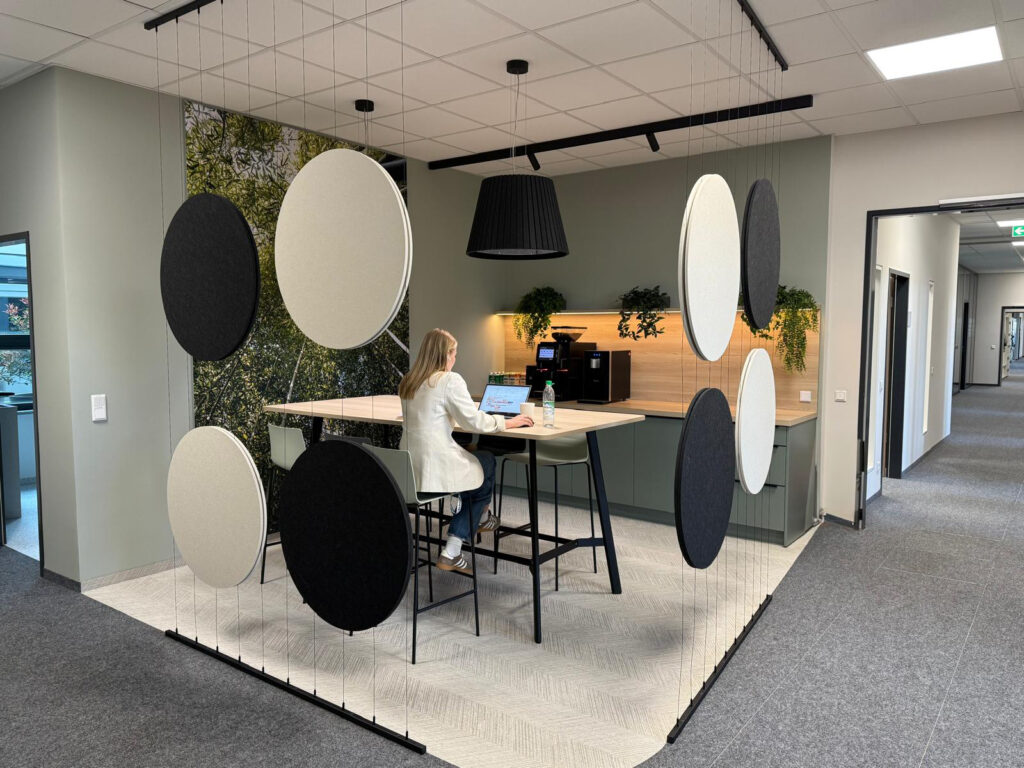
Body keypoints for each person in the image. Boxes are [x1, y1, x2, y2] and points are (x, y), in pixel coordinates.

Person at [398, 329, 533, 574]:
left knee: (476, 464)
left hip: (409, 470)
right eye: (454, 353)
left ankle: (478, 523)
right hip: (435, 470)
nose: (455, 359)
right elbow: (474, 423)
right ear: (446, 354)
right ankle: (455, 546)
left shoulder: (409, 380)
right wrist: (508, 422)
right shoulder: (450, 380)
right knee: (486, 463)